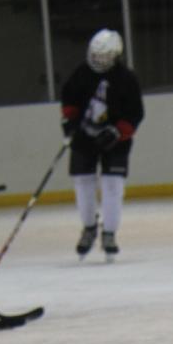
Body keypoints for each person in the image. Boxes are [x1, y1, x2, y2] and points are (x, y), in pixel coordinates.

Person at [58, 28, 143, 261]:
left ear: (115, 55)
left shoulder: (127, 79)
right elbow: (69, 100)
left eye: (103, 56)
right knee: (82, 181)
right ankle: (88, 227)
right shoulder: (81, 73)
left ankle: (109, 233)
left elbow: (135, 113)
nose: (97, 60)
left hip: (116, 141)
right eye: (95, 55)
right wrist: (69, 123)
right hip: (84, 137)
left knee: (112, 184)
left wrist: (118, 132)